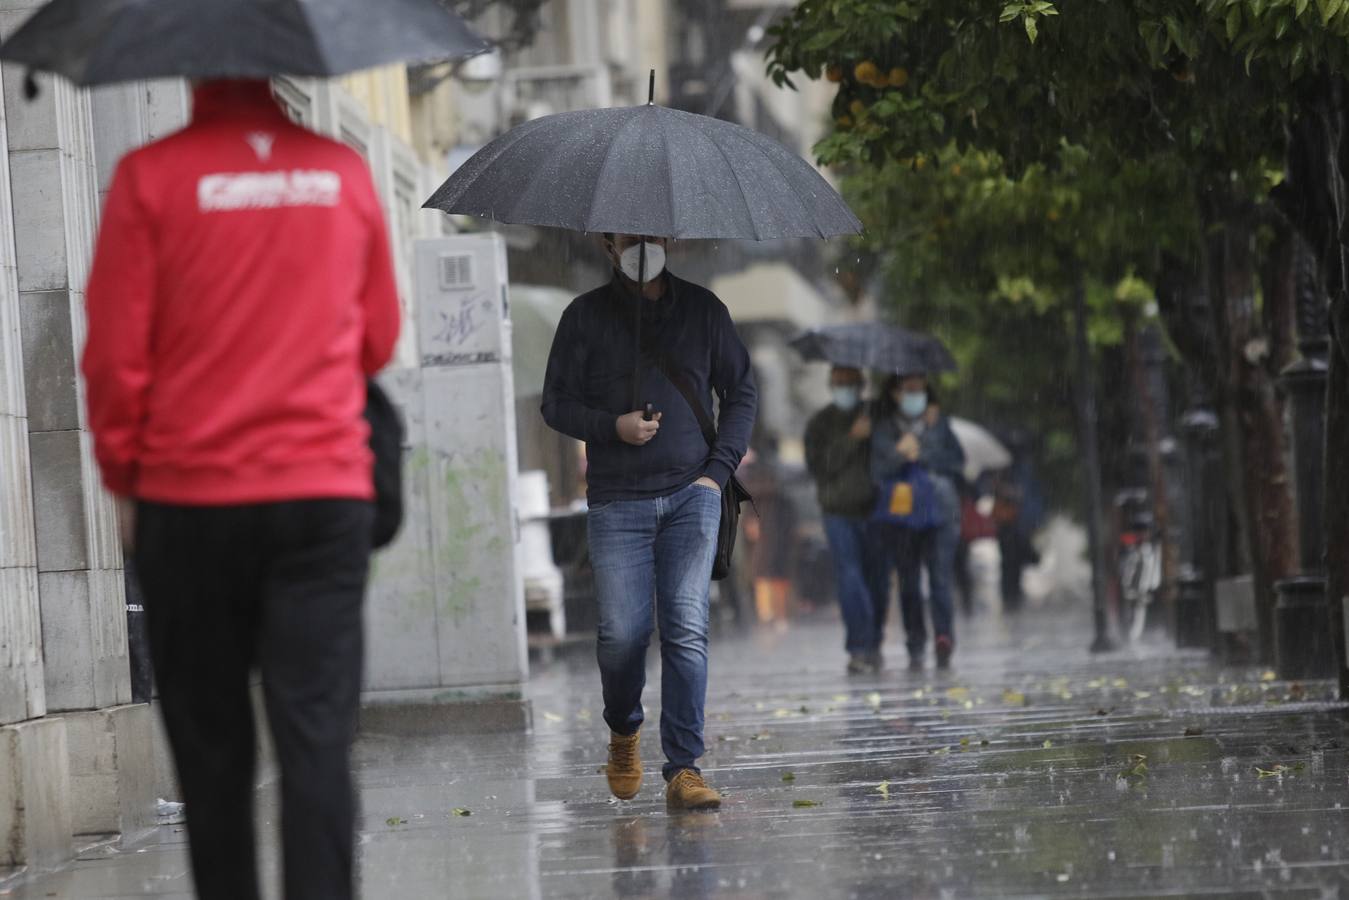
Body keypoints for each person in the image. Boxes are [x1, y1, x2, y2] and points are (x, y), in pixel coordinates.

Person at [81, 79, 400, 900]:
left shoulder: (149, 177)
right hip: (321, 496)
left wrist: (125, 480)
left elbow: (115, 360)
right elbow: (378, 336)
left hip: (189, 503)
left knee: (212, 752)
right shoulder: (343, 173)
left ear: (192, 72)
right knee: (316, 737)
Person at [541, 233, 757, 811]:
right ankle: (623, 729)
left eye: (652, 233)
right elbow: (554, 402)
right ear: (606, 245)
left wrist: (717, 472)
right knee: (621, 636)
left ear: (671, 238)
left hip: (693, 495)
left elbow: (741, 391)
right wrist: (612, 425)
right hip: (618, 503)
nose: (643, 243)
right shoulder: (583, 317)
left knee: (686, 629)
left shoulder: (705, 311)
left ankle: (684, 767)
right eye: (628, 234)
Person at [872, 374, 966, 670]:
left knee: (940, 578)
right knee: (909, 582)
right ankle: (915, 642)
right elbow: (878, 468)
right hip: (901, 515)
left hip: (940, 510)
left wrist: (923, 453)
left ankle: (944, 637)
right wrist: (901, 454)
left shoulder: (939, 423)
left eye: (919, 389)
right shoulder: (885, 428)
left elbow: (957, 461)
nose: (914, 394)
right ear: (895, 393)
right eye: (908, 389)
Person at [804, 366, 886, 673]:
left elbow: (889, 458)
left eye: (850, 383)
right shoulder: (820, 423)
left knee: (877, 580)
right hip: (838, 511)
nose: (844, 389)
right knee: (850, 577)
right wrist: (852, 438)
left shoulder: (878, 416)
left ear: (861, 384)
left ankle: (873, 641)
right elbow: (819, 466)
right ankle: (859, 647)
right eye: (839, 383)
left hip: (876, 511)